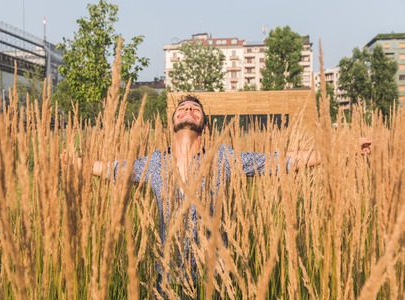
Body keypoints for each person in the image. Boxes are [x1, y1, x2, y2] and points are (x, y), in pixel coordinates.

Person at [63, 94, 371, 290]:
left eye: (195, 109)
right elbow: (111, 168)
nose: (188, 110)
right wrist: (73, 162)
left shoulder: (223, 157)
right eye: (183, 108)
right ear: (173, 123)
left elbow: (282, 161)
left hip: (217, 275)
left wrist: (343, 148)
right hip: (168, 277)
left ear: (205, 125)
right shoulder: (155, 163)